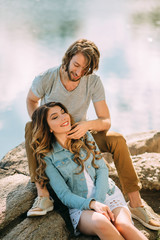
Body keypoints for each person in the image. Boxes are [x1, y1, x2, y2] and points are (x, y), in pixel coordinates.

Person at [25, 39, 160, 230]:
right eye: (76, 65)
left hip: (82, 136)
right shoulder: (46, 78)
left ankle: (136, 204)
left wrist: (86, 125)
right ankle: (43, 196)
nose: (79, 73)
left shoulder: (94, 82)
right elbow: (31, 100)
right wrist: (43, 127)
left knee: (117, 139)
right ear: (68, 58)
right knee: (30, 128)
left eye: (85, 69)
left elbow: (105, 120)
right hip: (56, 138)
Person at [30, 101, 148, 240]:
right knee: (102, 223)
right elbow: (64, 194)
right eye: (55, 117)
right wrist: (92, 204)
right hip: (82, 206)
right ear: (48, 127)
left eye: (63, 112)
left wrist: (99, 201)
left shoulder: (85, 136)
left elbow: (102, 169)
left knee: (124, 225)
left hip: (108, 194)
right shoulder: (47, 156)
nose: (63, 117)